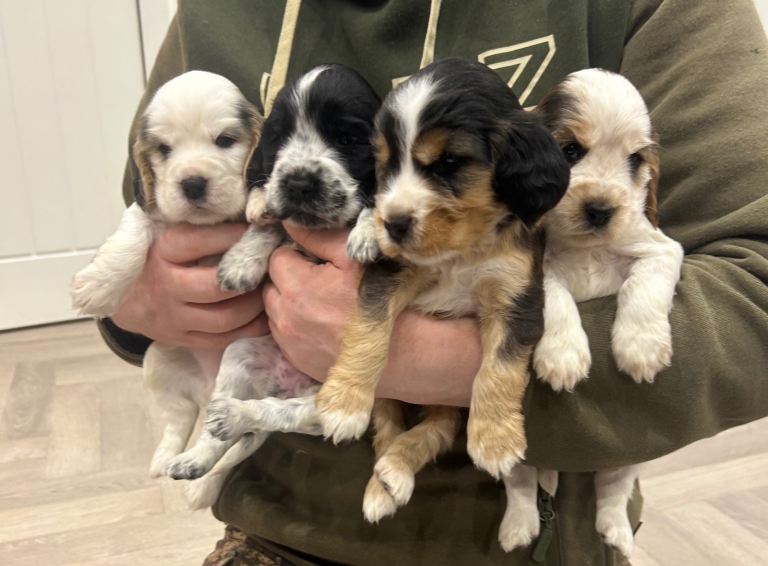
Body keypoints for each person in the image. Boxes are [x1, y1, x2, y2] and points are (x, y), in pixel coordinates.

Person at [102, 1, 768, 564]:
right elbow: (147, 216)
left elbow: (755, 293)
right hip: (272, 529)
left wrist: (442, 365)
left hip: (531, 542)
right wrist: (140, 302)